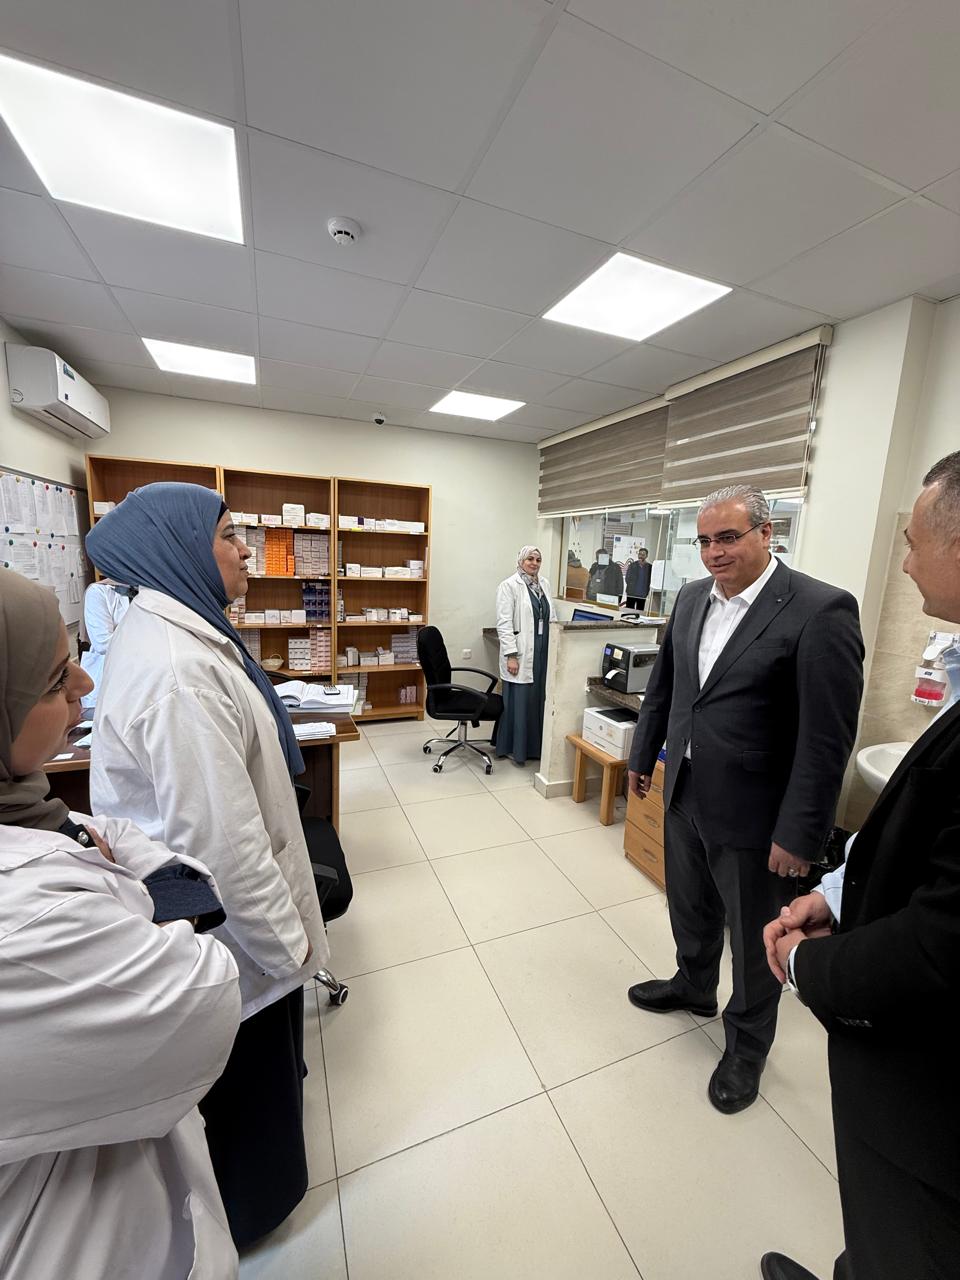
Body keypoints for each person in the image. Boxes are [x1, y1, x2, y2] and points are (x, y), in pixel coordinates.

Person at [85, 483, 329, 1249]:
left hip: (226, 922)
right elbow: (222, 843)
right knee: (248, 1088)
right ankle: (254, 1221)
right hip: (233, 936)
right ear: (182, 548)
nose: (246, 549)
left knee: (259, 1075)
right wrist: (287, 947)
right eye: (229, 535)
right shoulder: (178, 671)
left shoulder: (184, 633)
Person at [0, 567, 241, 1280]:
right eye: (53, 680)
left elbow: (118, 839)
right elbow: (201, 994)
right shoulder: (25, 920)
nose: (84, 682)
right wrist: (145, 891)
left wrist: (135, 883)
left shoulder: (28, 806)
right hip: (62, 1239)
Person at [760, 451, 960, 1280]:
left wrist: (809, 965)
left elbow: (942, 940)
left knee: (911, 1233)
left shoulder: (821, 612)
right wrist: (839, 896)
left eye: (913, 542)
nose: (905, 563)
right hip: (898, 1043)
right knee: (878, 1232)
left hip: (931, 1077)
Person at [625, 484, 864, 1113]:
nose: (714, 552)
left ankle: (748, 1045)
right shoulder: (691, 597)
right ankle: (694, 984)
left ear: (766, 533)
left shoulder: (820, 609)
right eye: (704, 540)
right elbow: (667, 688)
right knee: (690, 905)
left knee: (755, 936)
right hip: (685, 790)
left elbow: (827, 739)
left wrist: (801, 834)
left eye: (728, 537)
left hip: (758, 815)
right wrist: (643, 756)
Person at [494, 546, 557, 765]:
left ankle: (536, 748)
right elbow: (504, 624)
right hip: (520, 652)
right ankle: (514, 748)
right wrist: (511, 655)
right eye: (530, 559)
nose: (534, 563)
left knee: (538, 699)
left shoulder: (544, 584)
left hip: (542, 650)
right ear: (521, 561)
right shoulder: (509, 586)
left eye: (538, 560)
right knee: (520, 701)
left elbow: (551, 616)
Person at [78, 577, 135, 708]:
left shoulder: (150, 591)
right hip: (109, 677)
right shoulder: (98, 591)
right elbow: (103, 643)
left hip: (140, 678)